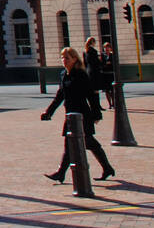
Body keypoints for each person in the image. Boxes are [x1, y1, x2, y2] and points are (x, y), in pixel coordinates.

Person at [43, 46, 115, 182]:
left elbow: (91, 95)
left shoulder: (81, 74)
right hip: (70, 115)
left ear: (75, 59)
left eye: (67, 58)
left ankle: (61, 173)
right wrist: (49, 112)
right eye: (62, 57)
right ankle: (107, 168)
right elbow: (60, 96)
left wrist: (96, 114)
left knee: (84, 143)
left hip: (82, 115)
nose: (64, 60)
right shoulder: (64, 74)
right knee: (79, 143)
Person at [84, 37, 107, 117]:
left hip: (89, 72)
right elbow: (97, 63)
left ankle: (95, 106)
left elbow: (85, 63)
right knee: (96, 91)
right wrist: (102, 61)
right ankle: (97, 106)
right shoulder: (93, 51)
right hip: (95, 72)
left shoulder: (86, 51)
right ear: (93, 42)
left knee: (93, 90)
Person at [99, 41, 117, 109]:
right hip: (105, 74)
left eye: (107, 48)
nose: (106, 49)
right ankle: (109, 104)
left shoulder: (112, 55)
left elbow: (114, 63)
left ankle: (114, 103)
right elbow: (101, 64)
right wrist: (105, 64)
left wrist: (110, 63)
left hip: (111, 74)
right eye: (105, 48)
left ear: (110, 48)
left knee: (112, 90)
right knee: (107, 90)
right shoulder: (102, 55)